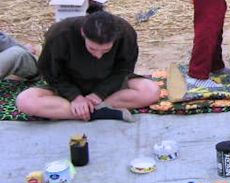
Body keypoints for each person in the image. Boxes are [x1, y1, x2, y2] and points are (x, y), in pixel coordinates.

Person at [16, 11, 161, 122]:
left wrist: (100, 93)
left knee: (151, 91)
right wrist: (75, 97)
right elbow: (50, 72)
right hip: (70, 85)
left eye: (105, 51)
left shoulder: (126, 33)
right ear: (83, 33)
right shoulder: (60, 33)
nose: (98, 56)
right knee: (25, 101)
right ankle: (101, 112)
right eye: (92, 49)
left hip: (110, 86)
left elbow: (124, 70)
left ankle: (86, 111)